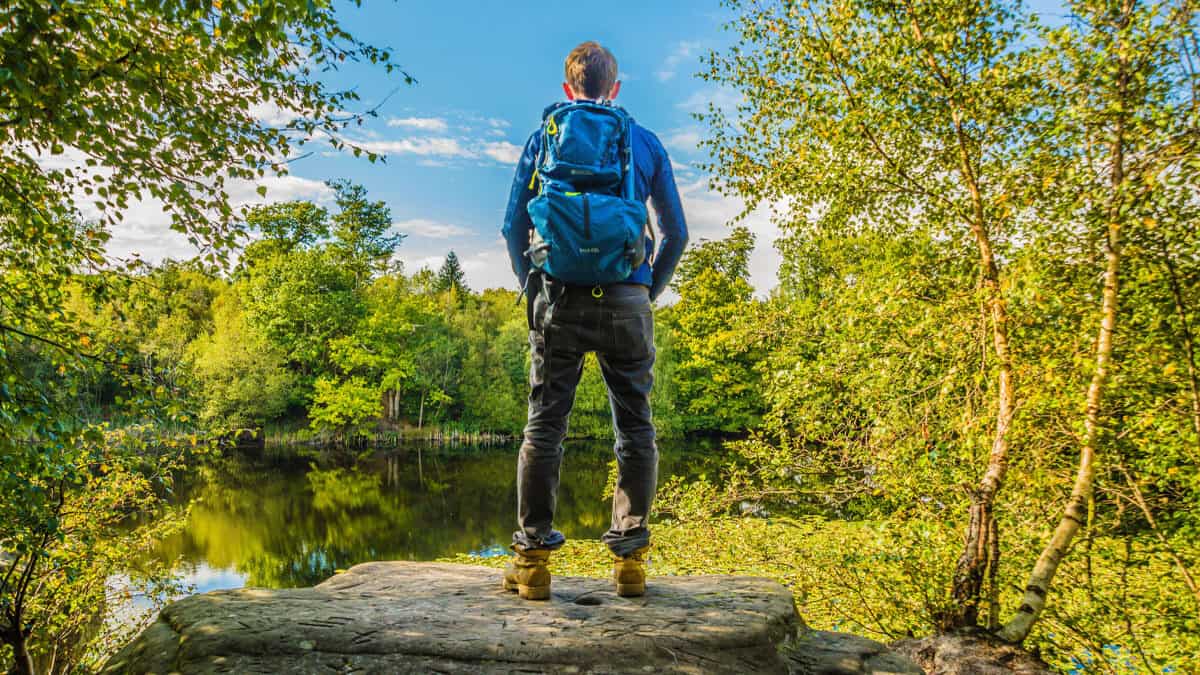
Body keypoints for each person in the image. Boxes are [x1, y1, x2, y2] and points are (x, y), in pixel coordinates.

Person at [500, 41, 688, 601]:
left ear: (568, 89)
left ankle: (532, 563)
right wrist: (646, 291)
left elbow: (512, 225)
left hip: (558, 301)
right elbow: (676, 232)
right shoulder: (643, 143)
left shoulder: (545, 138)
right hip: (628, 301)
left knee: (544, 427)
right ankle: (629, 564)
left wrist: (531, 287)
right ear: (615, 87)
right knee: (635, 428)